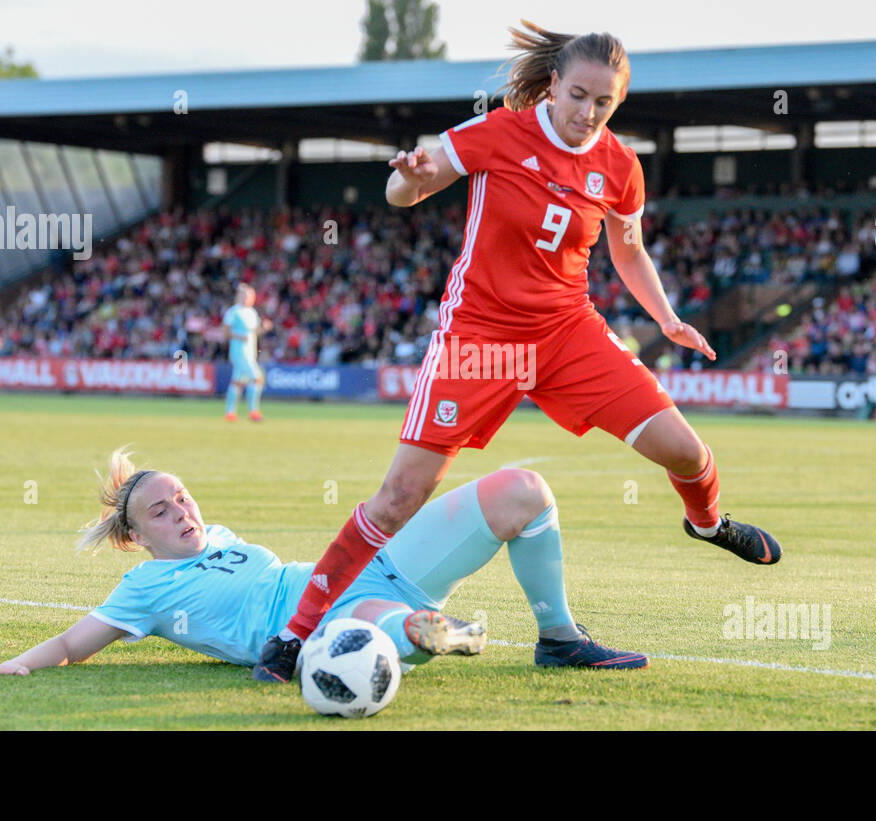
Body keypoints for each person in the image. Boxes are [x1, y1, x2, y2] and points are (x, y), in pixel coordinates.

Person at [254, 20, 783, 683]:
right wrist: (408, 179)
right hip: (480, 338)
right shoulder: (498, 133)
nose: (588, 113)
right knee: (399, 497)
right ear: (554, 85)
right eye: (579, 95)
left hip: (567, 333)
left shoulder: (620, 165)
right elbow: (406, 190)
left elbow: (628, 249)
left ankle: (706, 526)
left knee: (687, 451)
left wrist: (668, 318)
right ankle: (294, 635)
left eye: (604, 103)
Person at [0, 448, 647, 682]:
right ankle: (429, 629)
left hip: (357, 567)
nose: (180, 510)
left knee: (522, 492)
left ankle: (557, 637)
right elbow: (72, 644)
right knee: (391, 624)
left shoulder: (222, 535)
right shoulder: (144, 587)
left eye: (181, 496)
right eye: (159, 511)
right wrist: (20, 663)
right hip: (315, 627)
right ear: (138, 538)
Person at [222, 283, 269, 422]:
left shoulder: (252, 312)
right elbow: (225, 332)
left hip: (250, 353)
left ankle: (230, 413)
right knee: (257, 378)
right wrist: (238, 336)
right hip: (239, 352)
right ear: (240, 296)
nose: (249, 298)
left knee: (236, 382)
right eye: (246, 295)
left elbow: (254, 332)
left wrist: (264, 328)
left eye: (251, 296)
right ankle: (253, 411)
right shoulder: (233, 312)